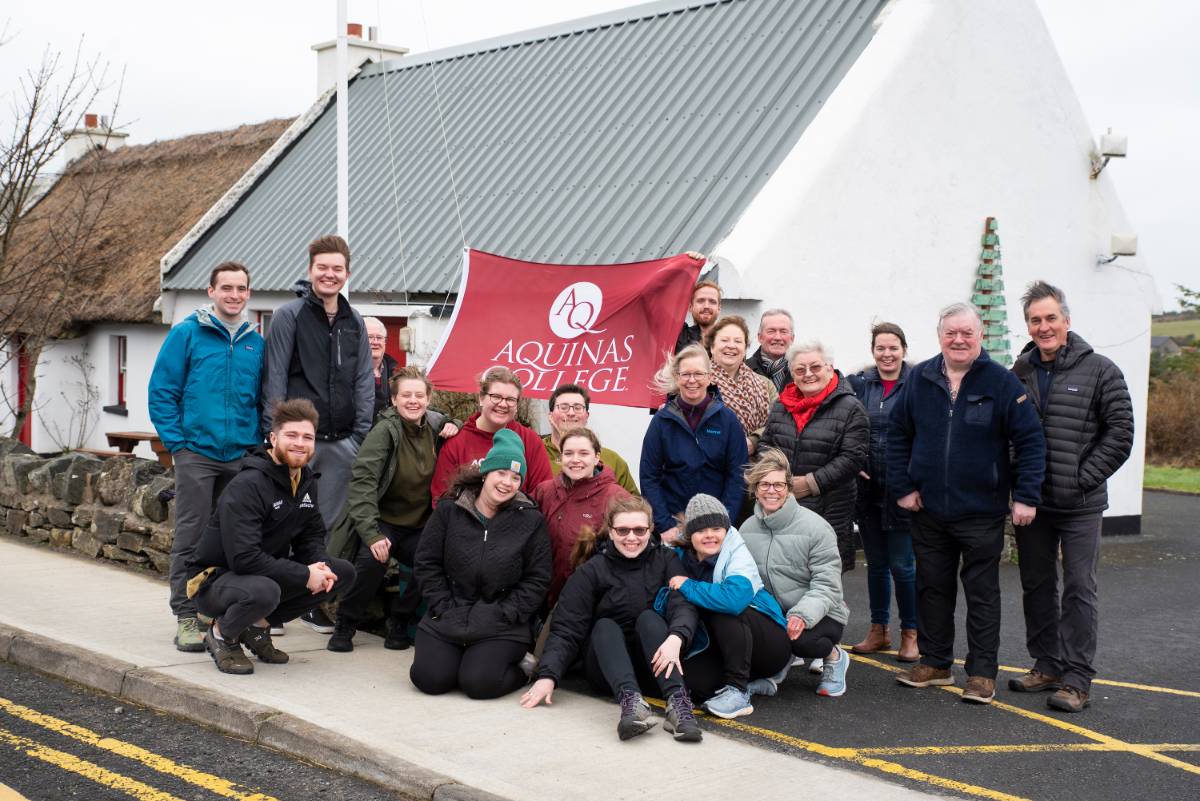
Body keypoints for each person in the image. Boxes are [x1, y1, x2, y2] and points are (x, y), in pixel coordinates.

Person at [888, 302, 1046, 705]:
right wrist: (903, 487)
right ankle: (936, 662)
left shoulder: (1002, 382)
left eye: (967, 333)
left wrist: (1026, 496)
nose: (958, 340)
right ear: (939, 335)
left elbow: (1030, 441)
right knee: (932, 588)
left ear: (980, 336)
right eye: (950, 333)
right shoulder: (919, 378)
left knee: (982, 594)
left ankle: (980, 673)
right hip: (929, 510)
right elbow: (897, 435)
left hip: (981, 511)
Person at [1009, 281, 1133, 713]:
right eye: (1035, 320)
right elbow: (1009, 433)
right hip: (1034, 503)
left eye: (1050, 318)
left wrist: (1082, 477)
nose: (1043, 327)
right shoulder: (1019, 373)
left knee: (1079, 589)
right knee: (1037, 585)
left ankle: (1077, 679)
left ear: (1066, 320)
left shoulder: (1101, 370)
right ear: (1028, 325)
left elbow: (1120, 434)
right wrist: (1017, 482)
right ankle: (1047, 664)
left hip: (1080, 504)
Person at [184, 399, 356, 675]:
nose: (300, 443)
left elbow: (311, 537)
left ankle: (257, 626)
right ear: (273, 438)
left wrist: (320, 567)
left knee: (341, 573)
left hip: (260, 572)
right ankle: (221, 634)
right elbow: (243, 558)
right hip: (214, 579)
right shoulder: (248, 484)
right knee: (265, 590)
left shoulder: (305, 481)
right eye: (291, 435)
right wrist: (303, 575)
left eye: (307, 437)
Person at [149, 261, 264, 653]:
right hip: (196, 453)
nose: (234, 295)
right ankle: (184, 614)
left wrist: (256, 445)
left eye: (241, 288)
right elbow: (162, 391)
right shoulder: (187, 334)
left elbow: (262, 399)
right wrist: (178, 444)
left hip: (239, 455)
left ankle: (214, 610)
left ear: (248, 293)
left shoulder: (255, 342)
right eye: (227, 288)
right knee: (191, 537)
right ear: (211, 292)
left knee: (234, 539)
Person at [521, 496, 702, 743]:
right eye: (623, 530)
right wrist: (548, 675)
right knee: (604, 625)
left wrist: (676, 636)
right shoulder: (592, 570)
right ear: (611, 531)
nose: (631, 537)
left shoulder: (666, 560)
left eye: (639, 530)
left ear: (650, 530)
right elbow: (567, 627)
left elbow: (683, 604)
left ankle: (679, 705)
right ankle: (631, 704)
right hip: (608, 671)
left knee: (650, 619)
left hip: (655, 665)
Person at [261, 234, 372, 634]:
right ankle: (270, 607)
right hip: (296, 444)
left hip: (342, 442)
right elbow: (274, 376)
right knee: (280, 525)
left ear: (347, 273)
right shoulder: (289, 315)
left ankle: (310, 603)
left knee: (322, 530)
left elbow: (363, 381)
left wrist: (359, 435)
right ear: (310, 271)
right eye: (322, 267)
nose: (329, 274)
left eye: (337, 269)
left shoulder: (353, 321)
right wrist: (274, 434)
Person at [410, 429, 552, 699]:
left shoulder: (531, 521)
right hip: (449, 614)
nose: (507, 482)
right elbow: (427, 562)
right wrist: (442, 605)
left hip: (501, 623)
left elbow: (538, 578)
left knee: (479, 683)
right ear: (485, 473)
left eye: (515, 477)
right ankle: (457, 659)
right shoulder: (450, 510)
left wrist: (505, 613)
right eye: (501, 473)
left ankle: (523, 669)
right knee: (429, 679)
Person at [326, 367, 459, 653]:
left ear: (429, 398)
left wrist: (454, 424)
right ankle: (346, 622)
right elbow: (363, 482)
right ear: (394, 400)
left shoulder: (435, 426)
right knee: (372, 561)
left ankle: (400, 619)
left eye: (419, 395)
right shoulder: (385, 431)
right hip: (383, 520)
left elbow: (454, 424)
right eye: (406, 395)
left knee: (436, 562)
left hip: (419, 524)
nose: (413, 401)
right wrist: (372, 534)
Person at [739, 448, 852, 697]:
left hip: (822, 611)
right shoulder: (747, 528)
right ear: (755, 489)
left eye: (779, 485)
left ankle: (834, 657)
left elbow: (828, 585)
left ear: (789, 488)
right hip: (776, 610)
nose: (771, 491)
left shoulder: (816, 528)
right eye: (764, 484)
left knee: (802, 640)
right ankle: (774, 668)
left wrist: (801, 615)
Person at [668, 494, 790, 719]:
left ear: (726, 530)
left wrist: (688, 585)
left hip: (769, 642)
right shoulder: (677, 557)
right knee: (698, 686)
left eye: (716, 528)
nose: (709, 536)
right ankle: (757, 683)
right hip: (725, 644)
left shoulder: (736, 552)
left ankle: (739, 692)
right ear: (689, 534)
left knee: (725, 611)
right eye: (701, 530)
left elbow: (734, 600)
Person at [759, 340, 869, 573]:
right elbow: (766, 444)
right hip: (784, 507)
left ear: (830, 367)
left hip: (829, 511)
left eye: (816, 367)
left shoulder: (850, 407)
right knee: (783, 579)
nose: (808, 374)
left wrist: (810, 483)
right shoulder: (781, 405)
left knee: (823, 584)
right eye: (800, 369)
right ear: (792, 374)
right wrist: (778, 481)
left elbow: (852, 458)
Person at [847, 323, 918, 661]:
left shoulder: (919, 382)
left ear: (903, 349)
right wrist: (855, 459)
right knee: (875, 564)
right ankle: (879, 630)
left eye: (893, 348)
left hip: (903, 488)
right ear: (872, 350)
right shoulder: (860, 383)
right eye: (880, 348)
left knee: (903, 565)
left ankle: (910, 634)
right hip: (868, 488)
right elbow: (850, 426)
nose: (887, 354)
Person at [641, 344, 749, 544]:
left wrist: (724, 522)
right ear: (677, 377)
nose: (692, 380)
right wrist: (665, 525)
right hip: (673, 525)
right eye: (686, 374)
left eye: (698, 374)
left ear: (709, 377)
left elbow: (737, 475)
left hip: (715, 527)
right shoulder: (661, 421)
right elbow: (649, 477)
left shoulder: (727, 420)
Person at [531, 427, 631, 606]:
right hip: (545, 595)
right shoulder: (544, 491)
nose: (575, 460)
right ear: (560, 457)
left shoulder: (616, 497)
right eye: (568, 453)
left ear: (596, 457)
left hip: (593, 600)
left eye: (583, 453)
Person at [430, 367, 554, 499]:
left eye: (510, 399)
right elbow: (441, 497)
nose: (503, 404)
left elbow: (543, 494)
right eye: (496, 397)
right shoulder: (457, 443)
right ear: (481, 398)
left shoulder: (530, 440)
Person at [542, 383, 639, 494]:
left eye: (578, 408)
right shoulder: (535, 453)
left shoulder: (612, 460)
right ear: (550, 415)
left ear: (587, 416)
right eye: (563, 407)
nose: (571, 413)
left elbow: (633, 505)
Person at [705, 315, 777, 455]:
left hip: (754, 466)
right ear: (712, 347)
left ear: (745, 349)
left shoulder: (765, 384)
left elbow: (778, 422)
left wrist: (754, 440)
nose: (731, 345)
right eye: (724, 340)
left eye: (738, 341)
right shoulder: (696, 380)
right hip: (708, 464)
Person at [747, 309, 795, 393]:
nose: (777, 337)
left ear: (792, 338)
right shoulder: (744, 369)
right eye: (771, 331)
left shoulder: (802, 371)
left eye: (783, 332)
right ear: (760, 337)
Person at [364, 317, 399, 420]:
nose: (375, 342)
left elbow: (414, 399)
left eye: (379, 337)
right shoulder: (347, 373)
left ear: (385, 342)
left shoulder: (395, 374)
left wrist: (445, 421)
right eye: (369, 337)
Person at [674, 279, 721, 353]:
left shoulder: (728, 340)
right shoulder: (678, 335)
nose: (706, 306)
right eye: (701, 301)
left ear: (719, 308)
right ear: (690, 307)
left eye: (712, 302)